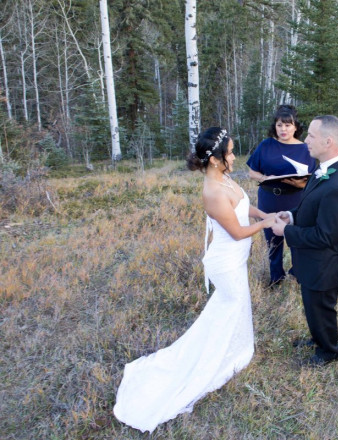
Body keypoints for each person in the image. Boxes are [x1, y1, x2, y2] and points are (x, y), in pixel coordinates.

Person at [113, 127, 276, 432]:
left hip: (235, 259)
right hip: (225, 263)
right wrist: (267, 223)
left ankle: (237, 349)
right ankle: (215, 359)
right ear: (214, 160)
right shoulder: (212, 191)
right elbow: (237, 231)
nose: (233, 156)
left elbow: (242, 207)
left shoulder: (224, 179)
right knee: (233, 304)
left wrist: (265, 213)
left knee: (232, 308)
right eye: (228, 152)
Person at [271, 115, 338, 367]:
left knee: (322, 309)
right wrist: (292, 216)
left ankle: (329, 351)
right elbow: (311, 209)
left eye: (311, 136)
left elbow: (326, 236)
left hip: (324, 264)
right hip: (312, 262)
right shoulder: (324, 170)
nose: (305, 139)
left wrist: (285, 232)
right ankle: (317, 338)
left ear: (328, 141)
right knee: (312, 306)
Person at [247, 104, 316, 287]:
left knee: (295, 238)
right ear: (274, 126)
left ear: (295, 127)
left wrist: (303, 182)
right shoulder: (266, 145)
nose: (283, 129)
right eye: (279, 125)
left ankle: (298, 275)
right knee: (273, 240)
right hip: (269, 198)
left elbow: (313, 177)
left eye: (288, 125)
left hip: (295, 199)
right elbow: (252, 172)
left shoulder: (305, 149)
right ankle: (276, 278)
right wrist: (265, 177)